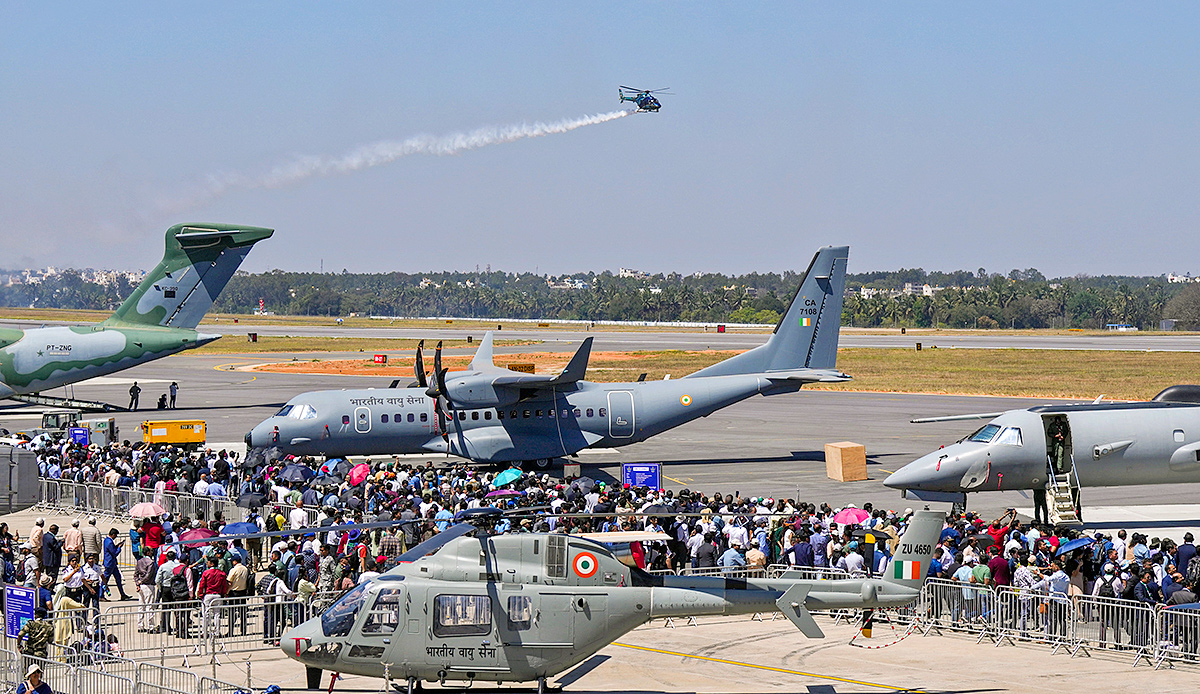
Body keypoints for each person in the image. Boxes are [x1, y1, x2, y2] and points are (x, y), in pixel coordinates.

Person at [134, 548, 159, 632]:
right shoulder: (151, 563)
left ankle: (140, 625)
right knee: (149, 606)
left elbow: (136, 574)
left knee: (141, 606)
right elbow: (148, 575)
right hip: (148, 585)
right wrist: (141, 581)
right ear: (148, 552)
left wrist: (137, 583)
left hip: (141, 586)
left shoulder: (139, 561)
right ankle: (150, 626)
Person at [102, 528, 131, 600]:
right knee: (105, 580)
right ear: (113, 535)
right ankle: (100, 595)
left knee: (118, 579)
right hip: (110, 563)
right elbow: (114, 553)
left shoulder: (107, 540)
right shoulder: (109, 542)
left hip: (112, 564)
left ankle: (122, 594)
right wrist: (119, 548)